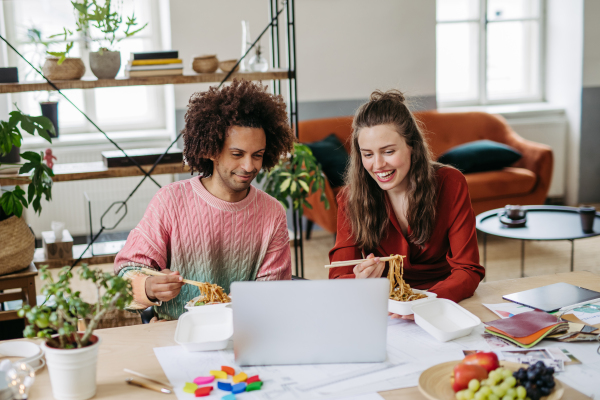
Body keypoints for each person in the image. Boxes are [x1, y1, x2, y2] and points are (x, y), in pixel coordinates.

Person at [114, 79, 295, 320]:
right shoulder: (170, 201)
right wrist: (148, 287)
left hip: (242, 334)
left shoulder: (272, 212)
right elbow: (123, 280)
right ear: (210, 150)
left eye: (258, 155)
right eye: (237, 154)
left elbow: (274, 297)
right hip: (176, 334)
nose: (249, 166)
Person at [329, 89, 485, 317]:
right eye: (368, 154)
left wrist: (424, 301)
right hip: (385, 306)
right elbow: (337, 279)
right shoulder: (350, 198)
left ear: (412, 146)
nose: (378, 165)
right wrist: (360, 280)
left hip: (441, 303)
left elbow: (468, 269)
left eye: (388, 151)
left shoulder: (450, 183)